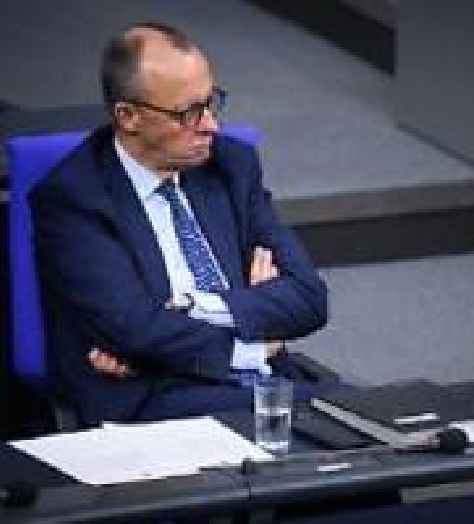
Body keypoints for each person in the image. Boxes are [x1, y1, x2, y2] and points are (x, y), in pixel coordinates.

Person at [29, 22, 328, 425]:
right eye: (188, 113)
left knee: (368, 428)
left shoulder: (231, 165)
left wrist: (193, 307)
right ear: (128, 116)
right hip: (157, 399)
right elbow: (134, 328)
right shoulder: (75, 196)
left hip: (258, 383)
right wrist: (257, 338)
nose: (210, 125)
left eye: (211, 103)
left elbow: (309, 298)